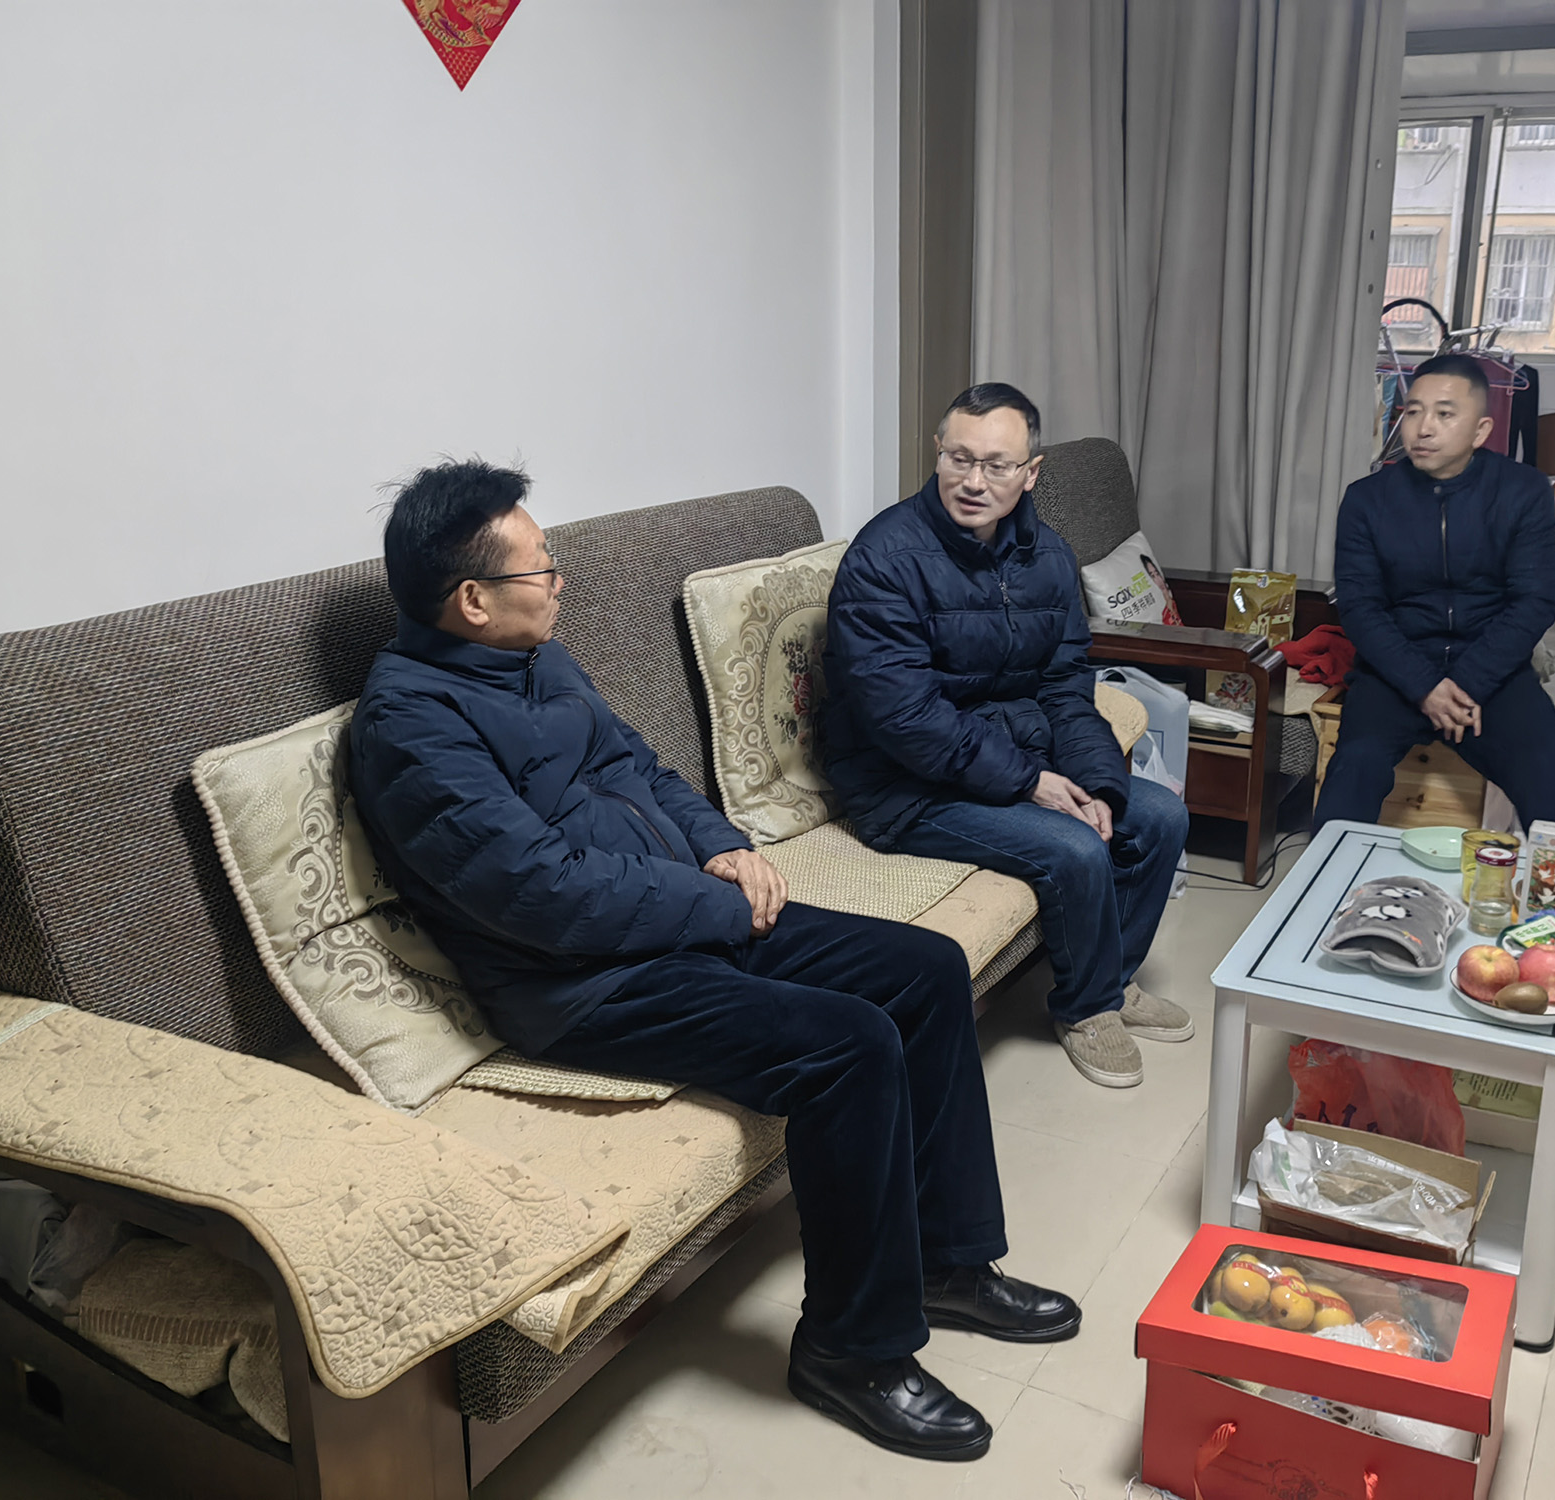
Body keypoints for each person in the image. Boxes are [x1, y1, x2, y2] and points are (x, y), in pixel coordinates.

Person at [348, 459, 1081, 1463]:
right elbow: (544, 897)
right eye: (541, 569)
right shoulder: (409, 726)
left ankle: (948, 1263)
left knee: (923, 969)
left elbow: (637, 765)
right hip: (583, 984)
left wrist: (724, 847)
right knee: (846, 1046)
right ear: (472, 600)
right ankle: (850, 1350)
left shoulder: (535, 658)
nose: (559, 581)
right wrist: (721, 907)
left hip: (685, 912)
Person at [823, 384, 1194, 1089]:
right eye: (959, 459)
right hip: (903, 785)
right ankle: (1087, 1009)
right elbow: (905, 718)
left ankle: (1112, 982)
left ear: (1031, 472)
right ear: (938, 452)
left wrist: (1098, 781)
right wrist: (1031, 783)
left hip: (1003, 758)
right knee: (1075, 847)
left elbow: (1065, 686)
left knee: (1159, 815)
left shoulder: (1047, 556)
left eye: (997, 465)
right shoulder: (884, 558)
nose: (974, 481)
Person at [1315, 355, 1555, 987]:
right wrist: (1422, 685)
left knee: (1554, 778)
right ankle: (1317, 909)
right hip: (1396, 670)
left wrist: (1463, 684)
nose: (1423, 428)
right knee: (1353, 769)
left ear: (1482, 430)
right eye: (1414, 412)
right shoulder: (1367, 500)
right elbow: (1360, 607)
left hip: (1490, 671)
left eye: (1445, 414)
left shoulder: (1521, 492)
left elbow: (1535, 601)